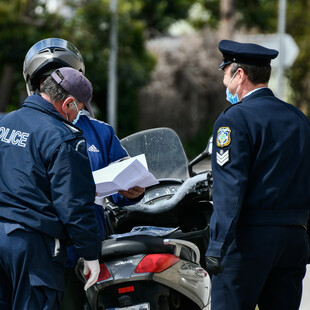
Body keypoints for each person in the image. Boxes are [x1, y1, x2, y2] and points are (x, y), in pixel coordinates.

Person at [23, 38, 145, 309]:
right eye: (45, 81)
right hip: (40, 250)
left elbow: (124, 185)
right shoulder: (24, 128)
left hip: (89, 248)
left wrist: (132, 191)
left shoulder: (100, 132)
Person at [204, 39, 310, 310]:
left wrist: (217, 246)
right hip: (292, 240)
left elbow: (230, 188)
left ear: (239, 75)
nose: (224, 83)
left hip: (248, 240)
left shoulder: (233, 120)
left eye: (225, 74)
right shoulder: (298, 119)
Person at [0, 67, 102, 310]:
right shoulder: (63, 138)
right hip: (33, 246)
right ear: (68, 103)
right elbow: (74, 204)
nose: (78, 117)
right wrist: (90, 254)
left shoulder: (6, 123)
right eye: (78, 109)